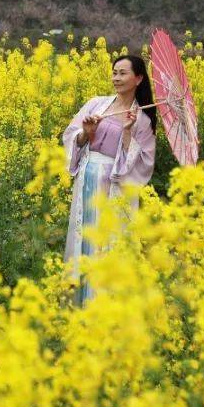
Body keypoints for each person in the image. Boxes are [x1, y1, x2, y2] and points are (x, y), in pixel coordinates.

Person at [61, 55, 157, 306]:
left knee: (108, 242)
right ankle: (79, 306)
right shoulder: (96, 104)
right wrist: (86, 133)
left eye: (123, 73)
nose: (116, 78)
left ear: (138, 78)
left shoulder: (143, 121)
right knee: (85, 237)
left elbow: (143, 165)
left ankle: (103, 309)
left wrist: (127, 132)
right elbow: (72, 137)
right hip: (88, 178)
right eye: (114, 72)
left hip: (115, 187)